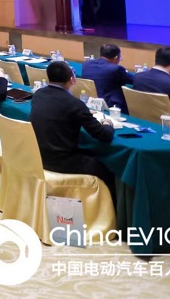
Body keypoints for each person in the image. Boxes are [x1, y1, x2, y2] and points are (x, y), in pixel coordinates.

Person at [30, 61, 116, 201]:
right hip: (63, 161)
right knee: (107, 170)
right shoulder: (75, 104)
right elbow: (104, 135)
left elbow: (57, 110)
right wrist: (108, 124)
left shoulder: (38, 94)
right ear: (72, 80)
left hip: (39, 155)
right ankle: (112, 212)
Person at [81, 44, 131, 111]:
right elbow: (133, 80)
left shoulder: (86, 64)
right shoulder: (116, 69)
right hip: (111, 106)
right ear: (116, 58)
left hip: (91, 103)